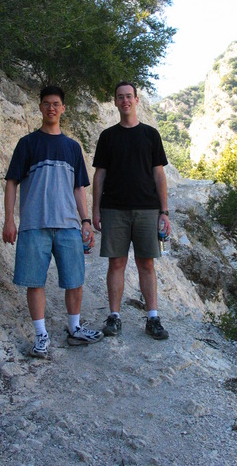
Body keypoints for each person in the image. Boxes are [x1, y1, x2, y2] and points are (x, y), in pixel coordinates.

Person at [2, 85, 103, 358]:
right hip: (34, 224)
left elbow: (79, 188)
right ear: (40, 107)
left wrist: (85, 221)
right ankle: (41, 335)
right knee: (35, 282)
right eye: (46, 103)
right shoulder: (27, 143)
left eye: (56, 104)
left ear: (63, 108)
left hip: (69, 225)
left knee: (75, 280)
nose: (51, 108)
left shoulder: (72, 147)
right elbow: (12, 182)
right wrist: (9, 220)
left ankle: (74, 329)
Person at [92, 81, 171, 340]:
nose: (125, 101)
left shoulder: (151, 135)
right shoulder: (108, 137)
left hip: (147, 209)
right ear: (115, 102)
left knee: (146, 263)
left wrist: (164, 212)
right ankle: (114, 316)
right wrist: (95, 209)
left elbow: (159, 175)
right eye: (120, 97)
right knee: (116, 263)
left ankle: (153, 317)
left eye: (129, 96)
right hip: (114, 209)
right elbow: (100, 175)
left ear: (136, 100)